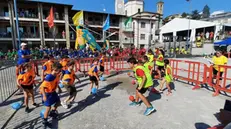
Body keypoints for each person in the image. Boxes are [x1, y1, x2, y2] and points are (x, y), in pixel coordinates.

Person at [39, 62, 63, 127]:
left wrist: (59, 88)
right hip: (47, 93)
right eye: (59, 70)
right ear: (55, 69)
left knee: (58, 102)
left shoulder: (56, 75)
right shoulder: (49, 77)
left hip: (53, 92)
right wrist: (44, 96)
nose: (60, 71)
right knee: (48, 107)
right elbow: (42, 87)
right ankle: (45, 120)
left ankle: (52, 112)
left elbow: (56, 82)